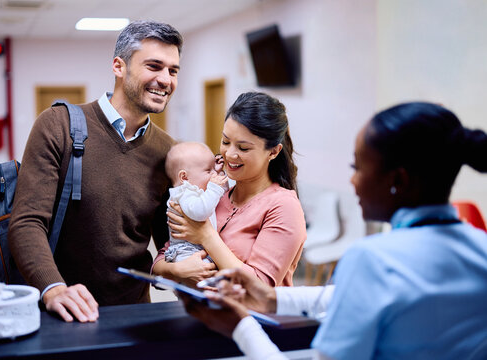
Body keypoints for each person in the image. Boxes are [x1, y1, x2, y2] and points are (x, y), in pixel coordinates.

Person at [181, 101, 487, 360]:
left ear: (399, 180)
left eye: (358, 168)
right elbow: (348, 296)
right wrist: (270, 298)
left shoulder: (372, 259)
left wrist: (240, 325)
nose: (352, 182)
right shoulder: (481, 248)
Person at [8, 20, 183, 323]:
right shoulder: (57, 125)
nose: (165, 79)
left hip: (135, 316)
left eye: (173, 70)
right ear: (119, 66)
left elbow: (169, 244)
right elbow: (27, 223)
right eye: (154, 66)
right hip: (62, 312)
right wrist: (53, 288)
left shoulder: (169, 152)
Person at [153, 92, 307, 287]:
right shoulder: (214, 195)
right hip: (200, 313)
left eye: (243, 148)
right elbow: (162, 259)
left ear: (273, 151)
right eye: (226, 142)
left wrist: (205, 235)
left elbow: (260, 286)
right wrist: (177, 270)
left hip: (250, 317)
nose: (230, 154)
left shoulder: (283, 206)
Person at [164, 142, 228, 263]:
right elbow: (200, 213)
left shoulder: (197, 190)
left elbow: (222, 193)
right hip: (185, 251)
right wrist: (214, 188)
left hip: (200, 248)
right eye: (208, 171)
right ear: (184, 177)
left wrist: (218, 173)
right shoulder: (182, 194)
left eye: (213, 168)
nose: (213, 174)